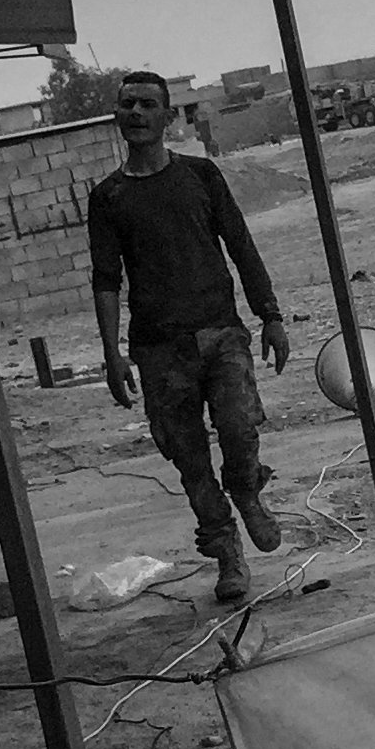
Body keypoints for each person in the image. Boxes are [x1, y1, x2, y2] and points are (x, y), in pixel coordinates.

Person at [90, 70, 290, 603]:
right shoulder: (108, 197)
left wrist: (269, 314)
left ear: (168, 117)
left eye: (147, 105)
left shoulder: (201, 177)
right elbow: (106, 279)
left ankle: (247, 492)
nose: (135, 113)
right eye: (127, 104)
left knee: (239, 427)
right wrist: (111, 353)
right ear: (117, 115)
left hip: (221, 333)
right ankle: (228, 556)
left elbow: (241, 245)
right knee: (189, 460)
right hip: (158, 349)